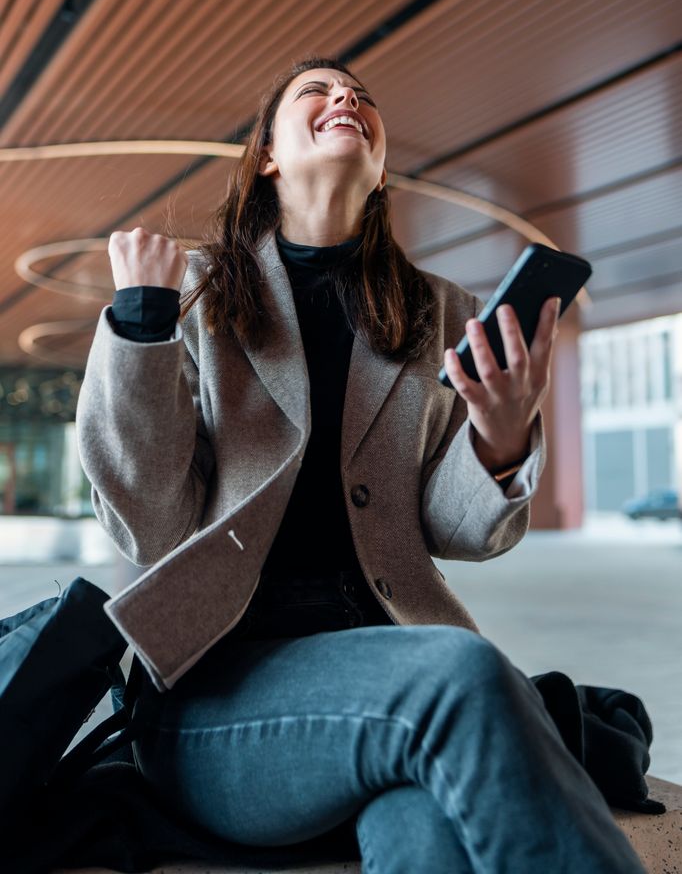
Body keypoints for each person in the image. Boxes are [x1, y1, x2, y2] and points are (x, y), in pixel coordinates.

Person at [76, 57, 645, 872]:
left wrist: (500, 433)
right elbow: (153, 523)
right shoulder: (194, 292)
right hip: (219, 700)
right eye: (319, 90)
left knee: (425, 828)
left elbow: (456, 531)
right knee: (462, 672)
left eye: (363, 97)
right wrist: (139, 327)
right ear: (268, 156)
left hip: (380, 676)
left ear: (380, 172)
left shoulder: (437, 310)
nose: (347, 98)